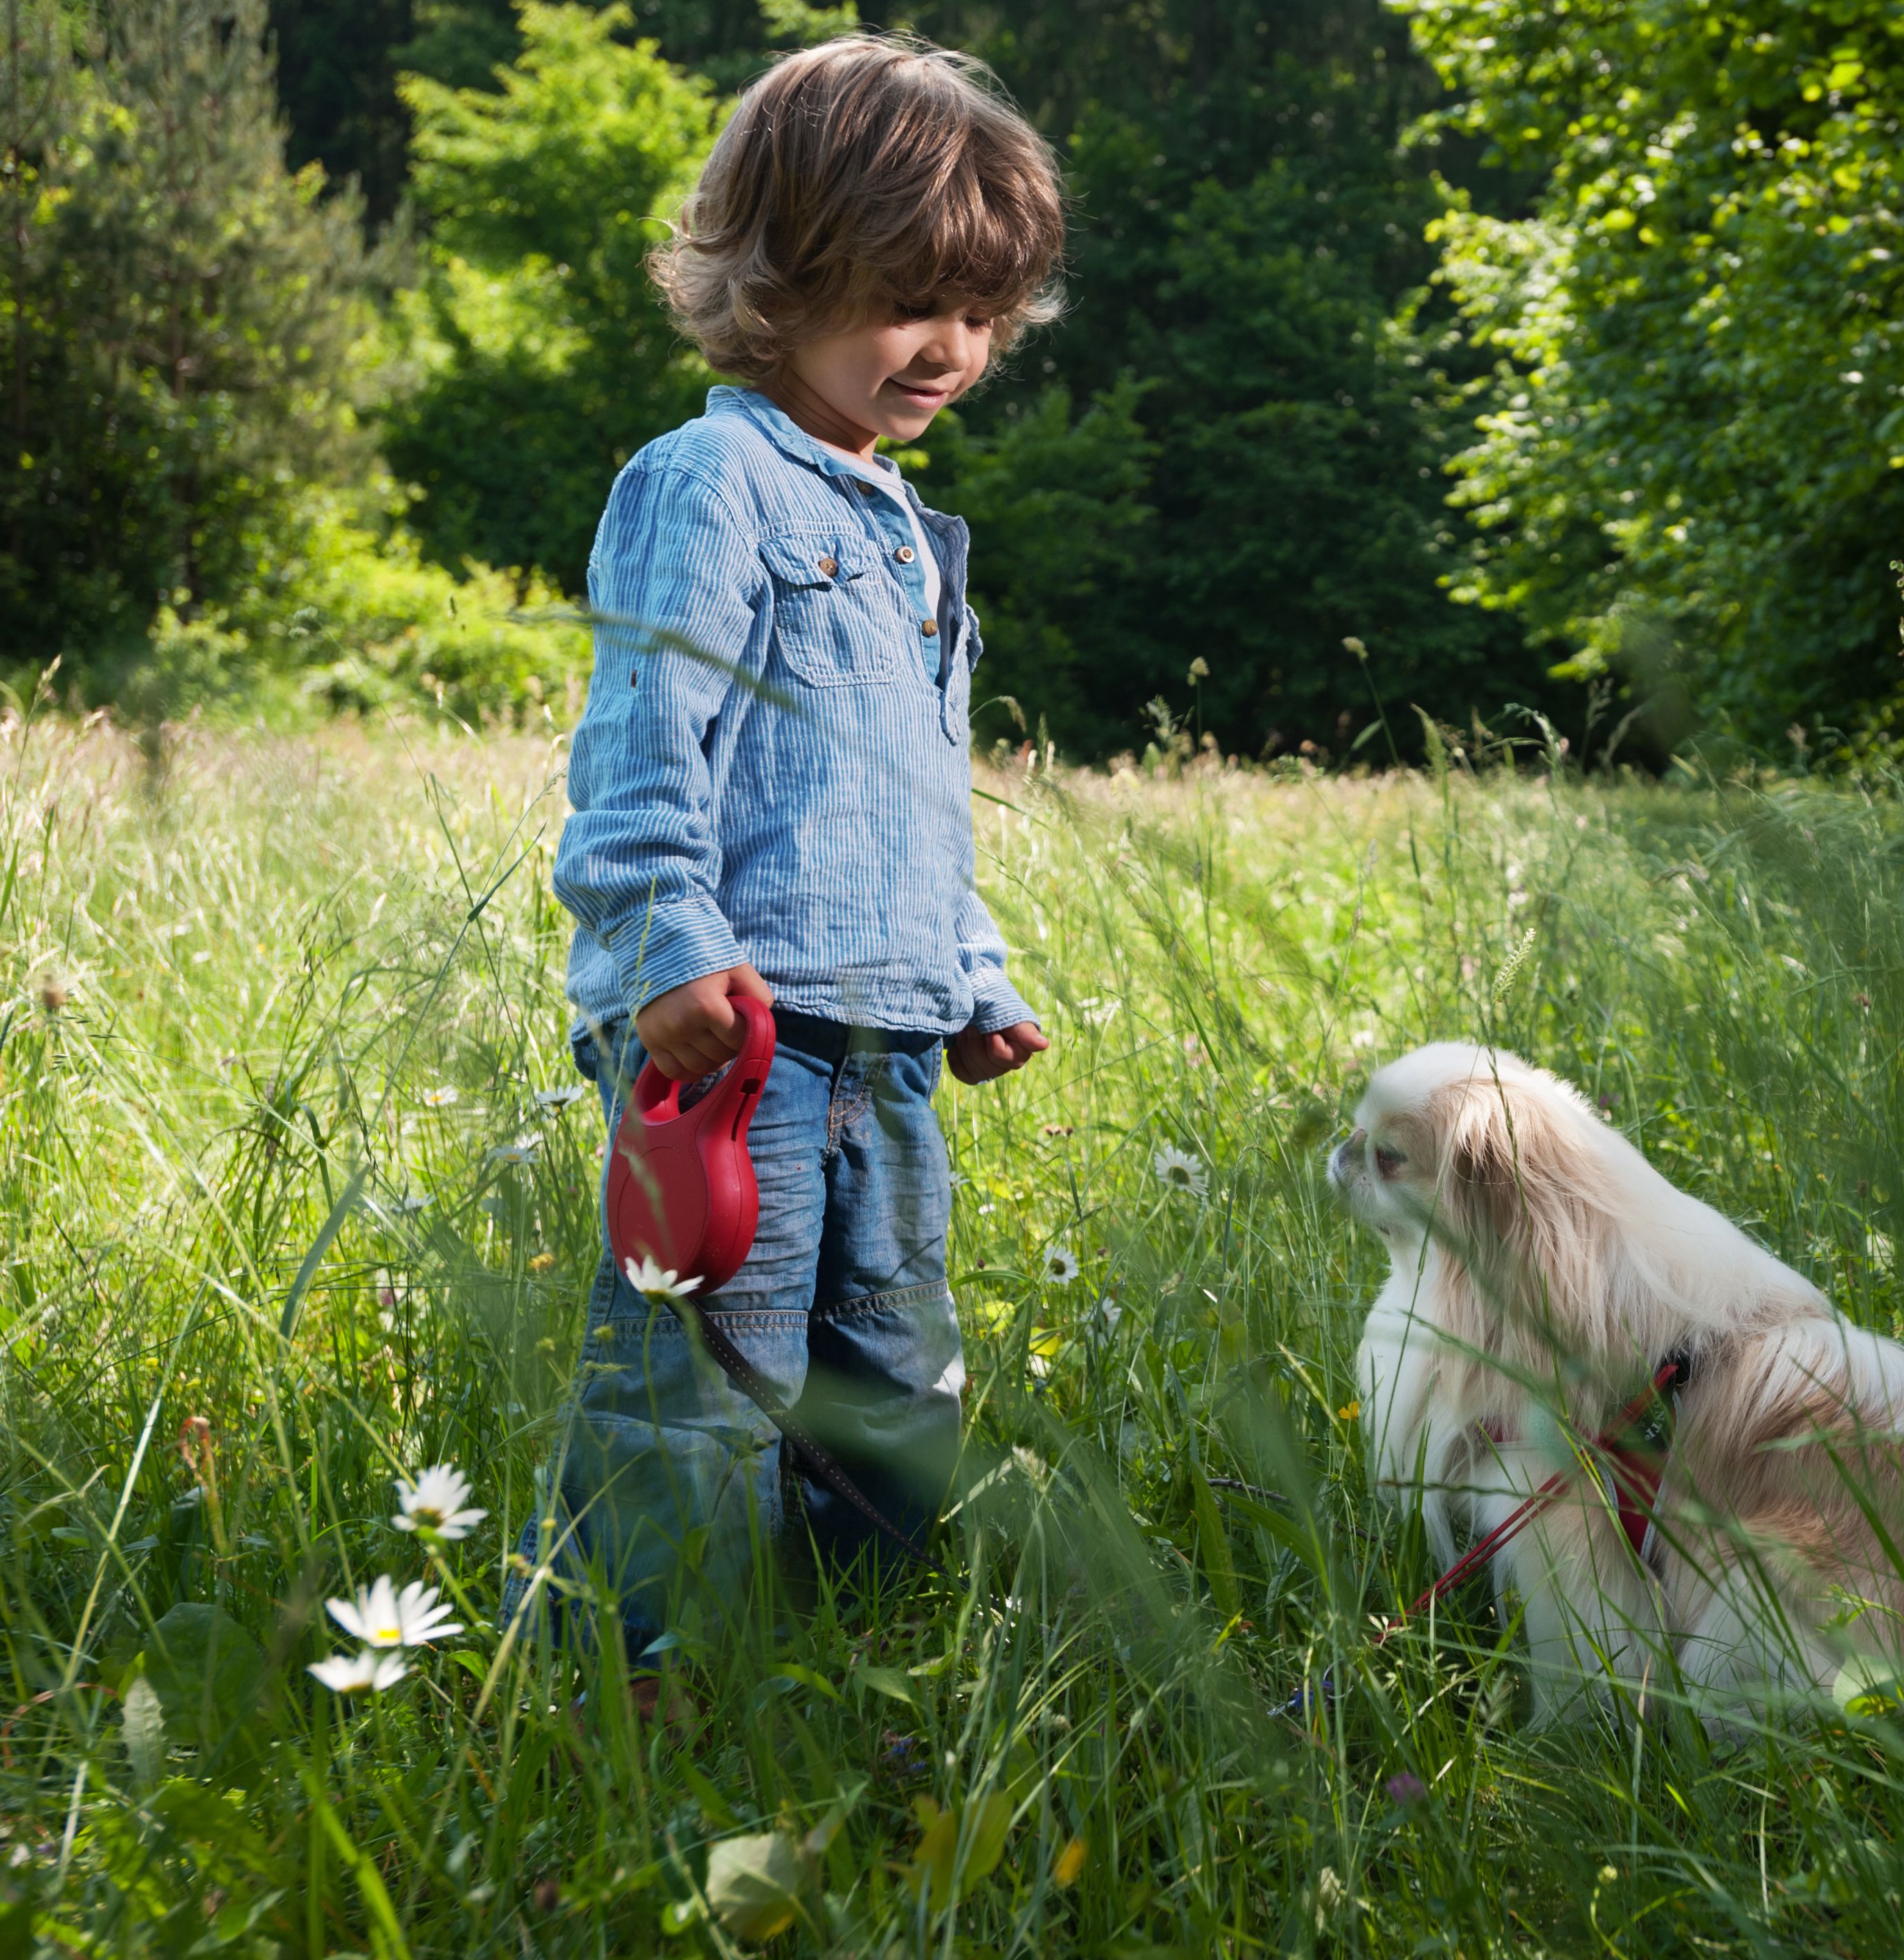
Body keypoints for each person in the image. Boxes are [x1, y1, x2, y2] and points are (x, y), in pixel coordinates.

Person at [513, 35, 1064, 1668]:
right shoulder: (707, 485)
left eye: (981, 313)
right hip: (734, 1049)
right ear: (778, 274)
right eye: (910, 300)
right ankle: (641, 1693)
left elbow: (915, 793)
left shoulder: (910, 534)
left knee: (893, 1381)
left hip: (888, 1043)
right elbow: (637, 748)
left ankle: (853, 1672)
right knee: (701, 1383)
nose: (949, 348)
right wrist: (665, 942)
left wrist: (971, 973)